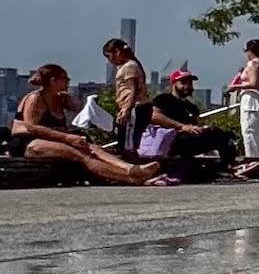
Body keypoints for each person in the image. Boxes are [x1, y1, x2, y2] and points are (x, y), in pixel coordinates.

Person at [9, 64, 162, 185]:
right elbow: (32, 127)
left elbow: (77, 108)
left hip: (54, 139)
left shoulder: (59, 99)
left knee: (92, 147)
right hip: (28, 143)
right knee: (79, 155)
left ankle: (131, 169)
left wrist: (68, 100)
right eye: (64, 78)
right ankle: (130, 179)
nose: (68, 80)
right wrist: (67, 138)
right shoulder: (36, 98)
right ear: (53, 81)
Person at [152, 71, 240, 172]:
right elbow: (155, 116)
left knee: (224, 135)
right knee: (214, 134)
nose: (187, 86)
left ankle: (227, 166)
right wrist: (181, 127)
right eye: (183, 82)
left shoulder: (192, 107)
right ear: (173, 84)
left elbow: (194, 125)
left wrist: (201, 129)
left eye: (190, 83)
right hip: (171, 139)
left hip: (190, 139)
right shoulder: (164, 99)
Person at [231, 39, 259, 179]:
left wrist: (236, 87)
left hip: (252, 99)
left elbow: (253, 83)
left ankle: (254, 160)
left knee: (250, 129)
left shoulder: (254, 63)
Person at [104, 38, 149, 155]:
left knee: (130, 142)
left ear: (117, 52)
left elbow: (132, 89)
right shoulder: (127, 66)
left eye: (109, 56)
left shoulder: (129, 66)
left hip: (135, 107)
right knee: (125, 138)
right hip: (131, 107)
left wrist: (127, 109)